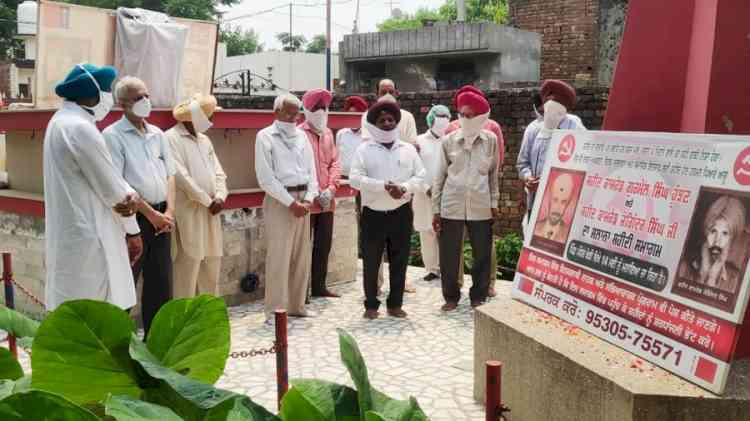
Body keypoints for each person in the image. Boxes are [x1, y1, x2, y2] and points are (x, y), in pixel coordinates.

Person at [44, 63, 142, 311]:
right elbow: (114, 191)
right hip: (92, 238)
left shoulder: (59, 122)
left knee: (75, 314)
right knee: (101, 317)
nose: (110, 97)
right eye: (107, 90)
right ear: (91, 94)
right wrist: (133, 230)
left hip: (74, 237)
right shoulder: (80, 129)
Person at [104, 76, 175, 334]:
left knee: (162, 284)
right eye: (138, 98)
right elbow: (119, 184)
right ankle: (117, 344)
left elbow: (171, 175)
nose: (145, 101)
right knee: (126, 284)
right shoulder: (113, 136)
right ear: (122, 103)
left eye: (146, 95)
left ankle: (156, 344)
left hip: (163, 218)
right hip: (134, 220)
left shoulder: (157, 134)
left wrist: (168, 212)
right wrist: (152, 214)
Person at [350, 101, 425, 319]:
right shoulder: (364, 149)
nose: (387, 123)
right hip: (373, 214)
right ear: (374, 124)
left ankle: (395, 304)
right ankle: (371, 305)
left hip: (400, 213)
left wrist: (403, 188)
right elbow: (354, 179)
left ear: (396, 123)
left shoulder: (408, 149)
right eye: (382, 120)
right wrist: (382, 186)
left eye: (391, 120)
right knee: (372, 262)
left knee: (400, 260)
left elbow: (421, 177)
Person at [256, 93, 319, 323]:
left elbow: (313, 173)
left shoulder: (302, 136)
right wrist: (291, 203)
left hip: (304, 199)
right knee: (279, 257)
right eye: (289, 111)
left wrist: (309, 198)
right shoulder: (265, 137)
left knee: (301, 256)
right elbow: (266, 178)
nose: (294, 116)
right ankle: (274, 309)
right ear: (277, 112)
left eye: (297, 112)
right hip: (280, 200)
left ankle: (296, 305)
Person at [433, 91, 499, 311]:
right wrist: (436, 209)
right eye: (462, 114)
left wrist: (494, 204)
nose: (465, 119)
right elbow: (439, 176)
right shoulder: (448, 141)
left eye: (471, 115)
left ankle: (478, 295)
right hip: (451, 205)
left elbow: (493, 175)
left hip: (481, 206)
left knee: (482, 253)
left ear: (481, 117)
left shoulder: (491, 141)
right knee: (449, 254)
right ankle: (451, 297)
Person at [166, 93, 228, 298]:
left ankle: (208, 317)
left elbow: (219, 172)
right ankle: (185, 320)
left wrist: (220, 196)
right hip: (189, 212)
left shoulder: (205, 140)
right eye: (210, 116)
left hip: (211, 212)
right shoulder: (171, 138)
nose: (212, 120)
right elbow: (180, 176)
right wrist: (207, 200)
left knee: (212, 264)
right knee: (188, 265)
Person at [445, 85, 505, 296]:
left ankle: (487, 284)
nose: (467, 115)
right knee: (454, 246)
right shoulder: (452, 130)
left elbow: (496, 165)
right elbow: (444, 168)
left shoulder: (492, 130)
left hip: (480, 196)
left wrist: (493, 199)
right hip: (455, 199)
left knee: (484, 246)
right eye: (463, 110)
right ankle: (456, 283)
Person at [517, 80, 586, 236]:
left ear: (564, 111)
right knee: (531, 238)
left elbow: (582, 163)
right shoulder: (533, 129)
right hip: (534, 200)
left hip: (562, 204)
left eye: (558, 111)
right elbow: (522, 164)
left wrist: (550, 183)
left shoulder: (574, 127)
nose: (550, 115)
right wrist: (528, 178)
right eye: (548, 109)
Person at [300, 89, 341, 298]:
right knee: (302, 247)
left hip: (327, 199)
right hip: (307, 200)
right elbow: (300, 167)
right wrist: (314, 191)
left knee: (323, 245)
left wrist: (332, 189)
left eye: (324, 108)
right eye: (316, 108)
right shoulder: (299, 133)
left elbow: (335, 162)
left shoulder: (328, 133)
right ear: (306, 110)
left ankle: (319, 286)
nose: (321, 112)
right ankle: (301, 291)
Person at [413, 105, 451, 282]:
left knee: (447, 230)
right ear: (431, 118)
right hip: (424, 193)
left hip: (446, 193)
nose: (443, 119)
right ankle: (432, 269)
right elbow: (414, 168)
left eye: (446, 116)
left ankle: (448, 268)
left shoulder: (451, 140)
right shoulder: (419, 141)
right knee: (427, 231)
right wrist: (425, 187)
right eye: (439, 115)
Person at [677, 196, 746, 293]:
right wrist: (702, 275)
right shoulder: (683, 266)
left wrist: (712, 279)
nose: (717, 241)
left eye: (725, 233)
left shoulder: (736, 279)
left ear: (731, 238)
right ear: (706, 232)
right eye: (713, 231)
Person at [360, 79, 418, 145]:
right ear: (377, 95)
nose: (387, 95)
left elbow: (413, 143)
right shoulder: (368, 116)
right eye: (383, 92)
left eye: (391, 92)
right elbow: (367, 142)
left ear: (396, 94)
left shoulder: (408, 117)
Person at [534, 173, 575, 242]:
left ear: (568, 204)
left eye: (563, 202)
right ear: (549, 198)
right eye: (555, 200)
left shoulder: (568, 235)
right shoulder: (535, 227)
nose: (557, 208)